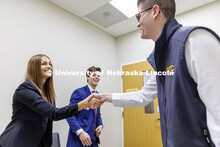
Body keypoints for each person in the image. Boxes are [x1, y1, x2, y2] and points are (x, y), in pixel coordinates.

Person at [92, 0, 220, 147]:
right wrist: (105, 97)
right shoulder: (163, 59)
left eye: (138, 16)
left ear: (155, 11)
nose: (138, 23)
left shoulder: (194, 40)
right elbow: (143, 96)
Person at [0, 54, 102, 147]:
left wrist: (100, 125)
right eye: (44, 64)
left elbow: (49, 120)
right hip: (17, 141)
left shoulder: (48, 94)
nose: (49, 66)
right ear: (34, 68)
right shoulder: (25, 89)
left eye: (50, 64)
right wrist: (83, 104)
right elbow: (54, 113)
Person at [66, 66, 103, 147]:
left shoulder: (97, 94)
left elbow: (97, 115)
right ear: (87, 76)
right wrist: (80, 132)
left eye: (98, 76)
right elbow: (69, 115)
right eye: (94, 75)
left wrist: (100, 125)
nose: (96, 77)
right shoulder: (78, 93)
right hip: (79, 140)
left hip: (93, 141)